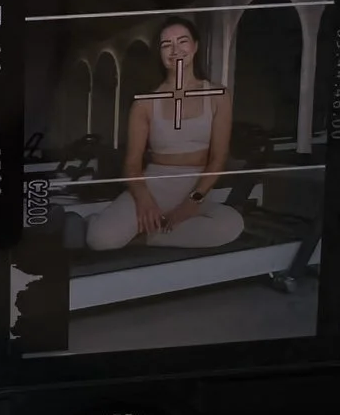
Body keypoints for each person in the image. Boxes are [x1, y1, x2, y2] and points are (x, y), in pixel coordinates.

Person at [84, 18, 244, 252]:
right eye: (166, 44)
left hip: (198, 188)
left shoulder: (218, 95)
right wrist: (144, 200)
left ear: (196, 46)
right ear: (159, 53)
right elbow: (132, 164)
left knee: (231, 225)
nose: (175, 50)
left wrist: (192, 202)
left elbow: (218, 158)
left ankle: (151, 236)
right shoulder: (145, 104)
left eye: (182, 41)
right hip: (154, 186)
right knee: (99, 239)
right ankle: (92, 222)